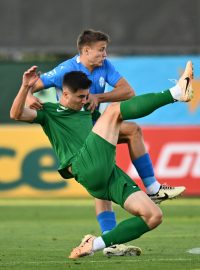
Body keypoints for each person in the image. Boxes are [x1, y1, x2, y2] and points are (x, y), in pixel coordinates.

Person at [25, 29, 186, 256]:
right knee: (124, 127)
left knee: (129, 137)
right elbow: (32, 85)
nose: (105, 54)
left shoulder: (105, 66)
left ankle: (111, 238)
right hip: (78, 134)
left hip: (95, 128)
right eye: (101, 50)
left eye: (105, 50)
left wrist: (98, 97)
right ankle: (176, 94)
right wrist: (29, 94)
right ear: (86, 50)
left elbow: (128, 91)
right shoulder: (66, 69)